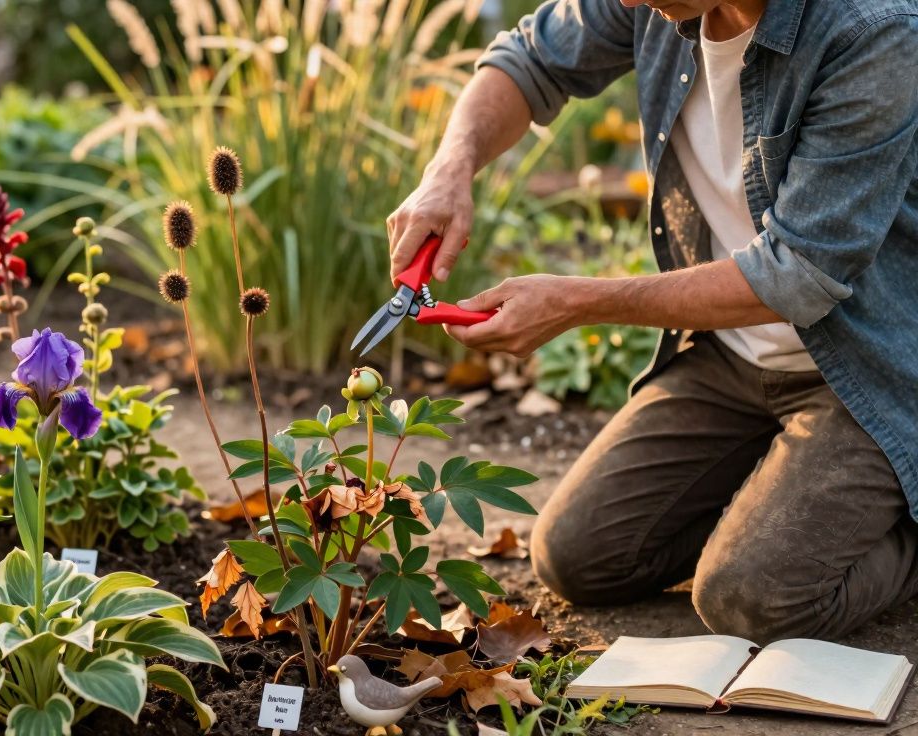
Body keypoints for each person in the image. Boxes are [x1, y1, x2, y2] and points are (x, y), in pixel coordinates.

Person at [387, 0, 918, 643]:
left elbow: (797, 274)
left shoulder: (875, 32)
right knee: (580, 556)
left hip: (867, 371)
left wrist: (577, 301)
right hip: (731, 356)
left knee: (752, 598)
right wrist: (448, 170)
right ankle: (789, 500)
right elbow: (527, 61)